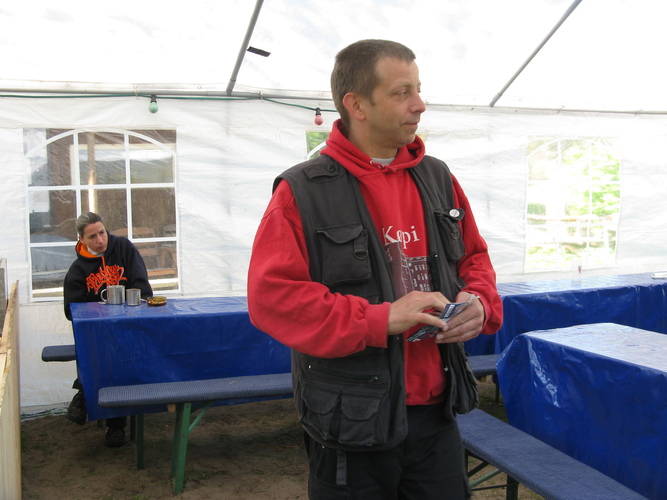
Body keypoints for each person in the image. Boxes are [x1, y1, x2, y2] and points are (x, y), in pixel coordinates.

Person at [247, 39, 503, 499]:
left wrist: (480, 302)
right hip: (351, 418)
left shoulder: (438, 177)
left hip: (437, 411)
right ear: (357, 105)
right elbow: (273, 298)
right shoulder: (302, 191)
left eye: (418, 89)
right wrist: (379, 319)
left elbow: (474, 258)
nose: (420, 104)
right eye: (402, 92)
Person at [63, 211, 153, 447]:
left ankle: (84, 395)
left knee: (117, 357)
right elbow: (72, 311)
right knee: (104, 356)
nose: (100, 240)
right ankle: (113, 423)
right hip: (99, 334)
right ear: (82, 239)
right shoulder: (77, 270)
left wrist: (127, 312)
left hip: (129, 326)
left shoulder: (123, 248)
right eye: (92, 236)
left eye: (102, 232)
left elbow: (142, 286)